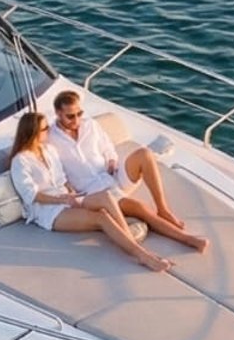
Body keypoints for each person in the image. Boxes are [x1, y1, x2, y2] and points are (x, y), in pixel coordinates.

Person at [8, 111, 176, 272]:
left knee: (106, 197)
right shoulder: (20, 161)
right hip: (48, 211)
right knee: (102, 218)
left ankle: (132, 243)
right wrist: (63, 200)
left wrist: (72, 194)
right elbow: (31, 195)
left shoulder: (49, 150)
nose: (49, 130)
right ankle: (142, 255)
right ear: (33, 133)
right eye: (45, 129)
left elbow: (61, 179)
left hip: (67, 198)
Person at [52, 90, 205, 251]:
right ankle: (189, 240)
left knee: (144, 154)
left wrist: (112, 159)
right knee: (140, 208)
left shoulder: (90, 125)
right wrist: (68, 190)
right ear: (58, 113)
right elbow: (53, 169)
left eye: (79, 113)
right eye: (70, 116)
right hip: (94, 191)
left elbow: (107, 146)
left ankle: (163, 209)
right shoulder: (50, 138)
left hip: (110, 175)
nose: (76, 119)